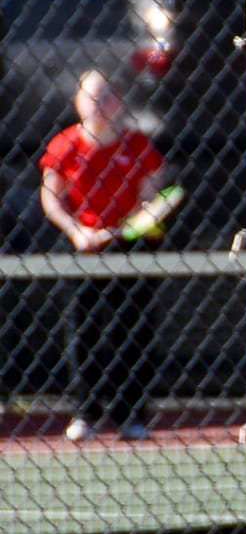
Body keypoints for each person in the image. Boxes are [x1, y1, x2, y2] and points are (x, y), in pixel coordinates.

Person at [39, 69, 166, 443]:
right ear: (79, 102)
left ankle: (132, 416)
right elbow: (51, 198)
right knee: (83, 330)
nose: (100, 104)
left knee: (135, 328)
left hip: (130, 249)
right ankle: (86, 413)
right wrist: (79, 232)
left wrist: (123, 230)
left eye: (107, 96)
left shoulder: (138, 145)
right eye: (92, 97)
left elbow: (153, 197)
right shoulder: (64, 145)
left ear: (120, 102)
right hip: (82, 248)